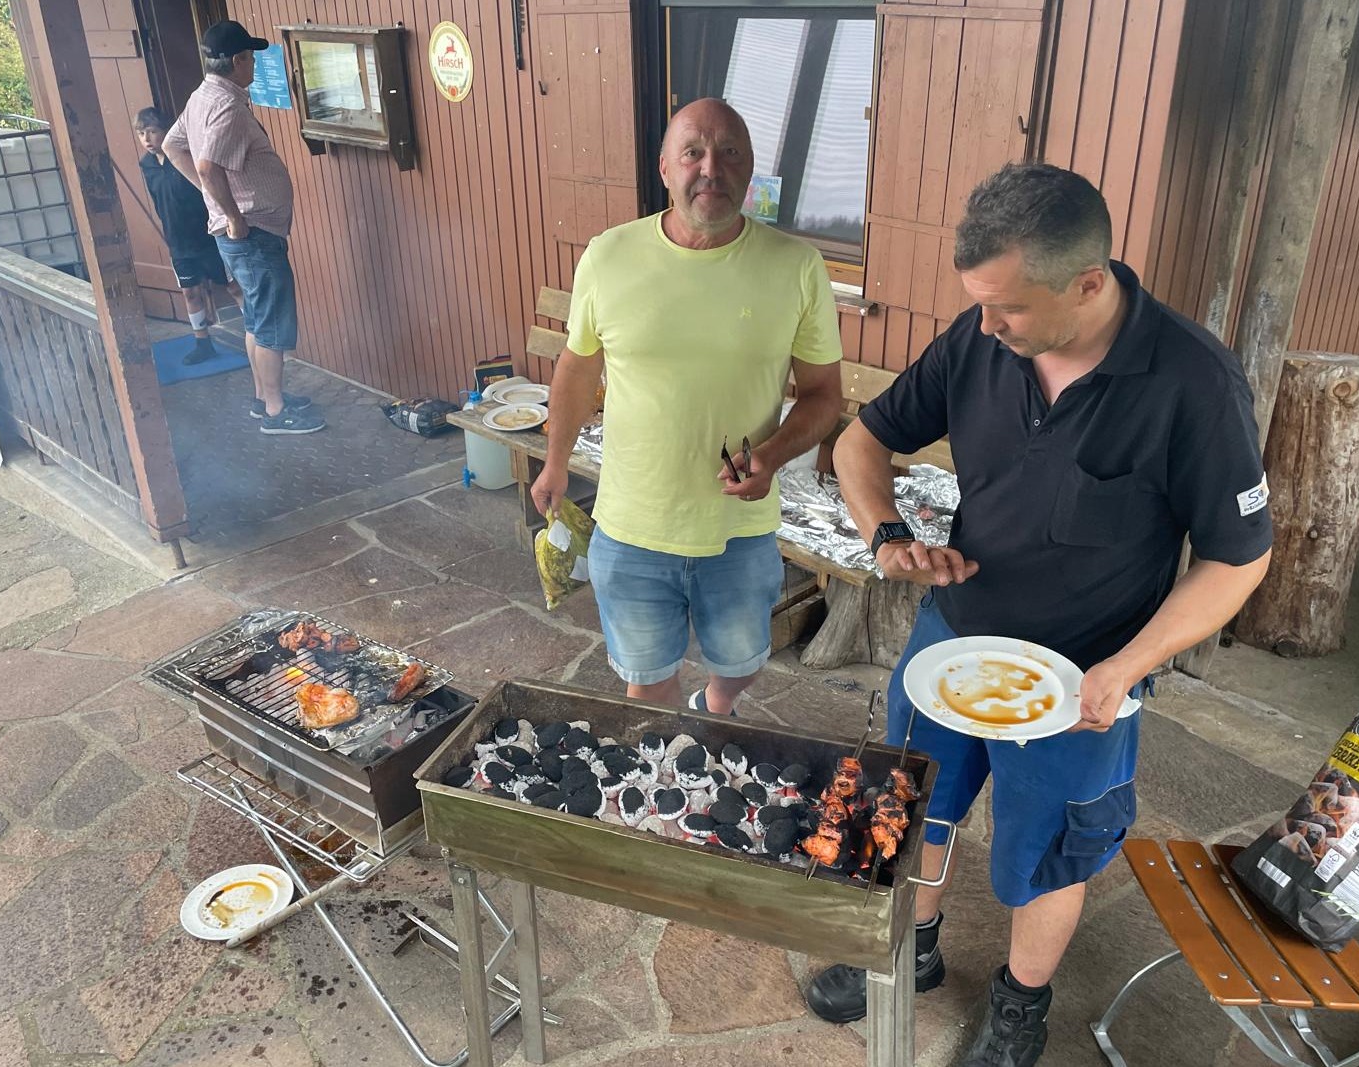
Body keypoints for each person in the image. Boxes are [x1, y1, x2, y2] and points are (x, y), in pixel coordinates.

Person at [804, 162, 1274, 1067]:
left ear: (1089, 282)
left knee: (1053, 850)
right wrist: (888, 533)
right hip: (955, 639)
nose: (987, 326)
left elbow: (1237, 558)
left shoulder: (1194, 385)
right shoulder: (983, 338)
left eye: (1008, 308)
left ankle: (1022, 1002)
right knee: (908, 805)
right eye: (979, 303)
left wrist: (1132, 664)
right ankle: (915, 949)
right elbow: (864, 440)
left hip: (1084, 678)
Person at [529, 97, 843, 716]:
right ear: (665, 168)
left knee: (743, 663)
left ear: (750, 173)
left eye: (729, 154)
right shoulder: (609, 255)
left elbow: (823, 394)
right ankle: (671, 774)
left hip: (738, 529)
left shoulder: (796, 266)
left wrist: (773, 457)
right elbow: (577, 366)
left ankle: (715, 708)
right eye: (693, 153)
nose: (711, 169)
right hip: (631, 521)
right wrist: (554, 461)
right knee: (646, 683)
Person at [163, 19, 323, 435]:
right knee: (270, 323)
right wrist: (231, 213)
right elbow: (204, 164)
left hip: (244, 233)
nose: (253, 64)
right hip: (251, 232)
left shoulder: (202, 96)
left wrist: (212, 198)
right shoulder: (228, 106)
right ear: (237, 60)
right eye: (250, 57)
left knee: (256, 318)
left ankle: (264, 399)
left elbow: (171, 145)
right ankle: (275, 411)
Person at [133, 107, 244, 366]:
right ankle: (202, 342)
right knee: (189, 292)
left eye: (153, 132)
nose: (147, 139)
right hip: (178, 241)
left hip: (206, 235)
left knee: (232, 285)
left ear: (166, 131)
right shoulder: (146, 165)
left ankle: (255, 336)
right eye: (141, 133)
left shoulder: (184, 157)